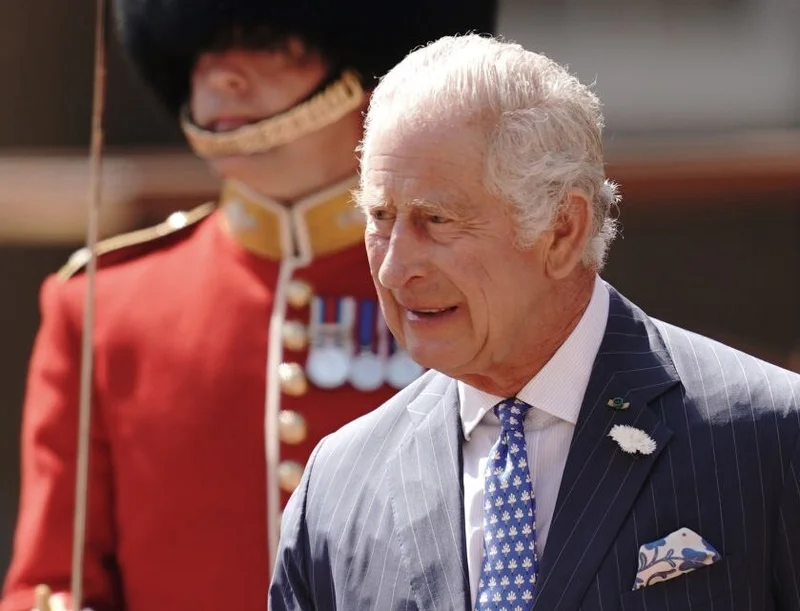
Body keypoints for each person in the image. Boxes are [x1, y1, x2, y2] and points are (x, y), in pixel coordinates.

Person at [270, 34, 800, 611]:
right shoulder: (338, 486)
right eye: (380, 217)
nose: (394, 268)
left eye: (436, 220)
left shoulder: (771, 437)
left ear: (562, 231)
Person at [0, 3, 498, 611]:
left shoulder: (474, 282)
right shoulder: (102, 306)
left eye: (269, 43)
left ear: (364, 70)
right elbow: (53, 583)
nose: (222, 75)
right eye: (203, 48)